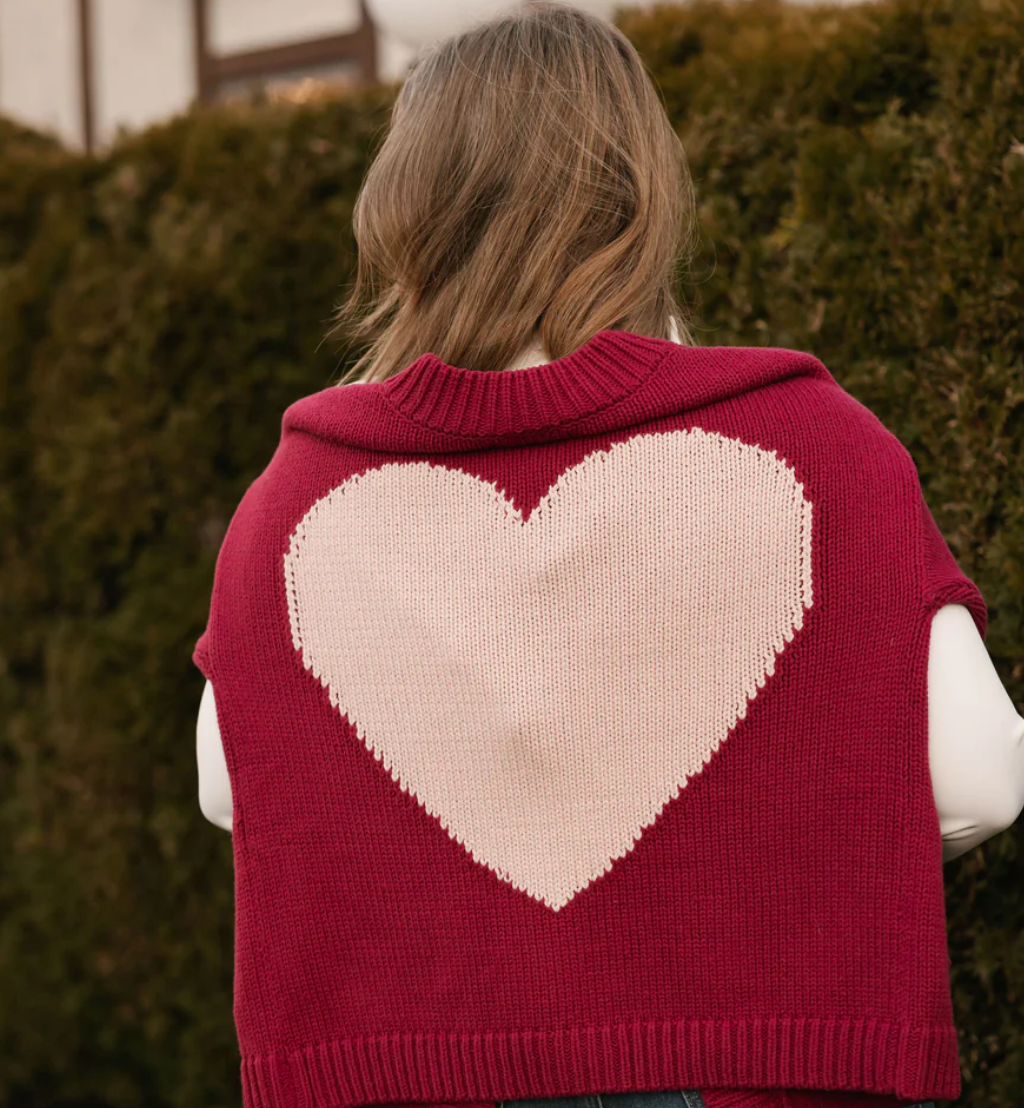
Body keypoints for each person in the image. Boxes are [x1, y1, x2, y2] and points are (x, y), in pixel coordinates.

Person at [190, 5, 1024, 1108]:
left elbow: (226, 787)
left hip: (421, 1077)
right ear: (642, 197)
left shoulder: (295, 506)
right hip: (757, 1070)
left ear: (404, 216)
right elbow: (981, 780)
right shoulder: (823, 453)